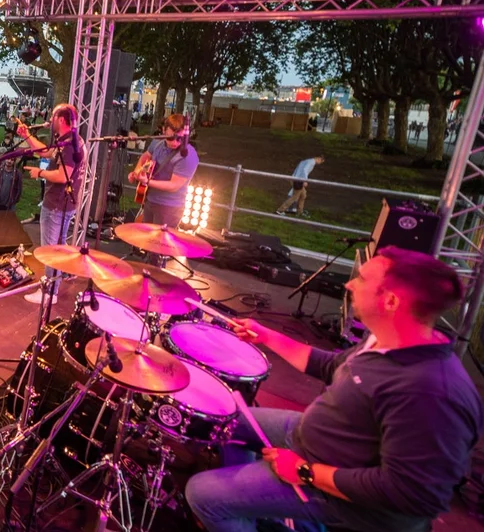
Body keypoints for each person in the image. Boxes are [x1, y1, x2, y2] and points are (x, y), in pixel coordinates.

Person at [186, 246, 482, 532]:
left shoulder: (431, 393)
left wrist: (304, 471)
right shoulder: (388, 339)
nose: (350, 284)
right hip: (314, 438)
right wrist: (267, 337)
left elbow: (411, 495)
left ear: (391, 301)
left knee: (203, 495)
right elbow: (332, 366)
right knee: (224, 418)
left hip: (348, 499)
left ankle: (239, 509)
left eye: (362, 279)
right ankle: (253, 509)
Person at [17, 104, 86, 283]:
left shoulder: (70, 145)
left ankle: (49, 291)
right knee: (59, 246)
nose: (49, 120)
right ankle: (59, 278)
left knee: (50, 250)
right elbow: (47, 152)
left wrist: (40, 173)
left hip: (57, 203)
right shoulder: (67, 139)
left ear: (61, 119)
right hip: (63, 203)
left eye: (52, 116)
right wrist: (27, 136)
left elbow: (63, 176)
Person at [127, 112, 198, 227]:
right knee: (145, 235)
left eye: (179, 139)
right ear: (164, 130)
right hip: (150, 200)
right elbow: (145, 156)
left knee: (160, 238)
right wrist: (136, 172)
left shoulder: (188, 155)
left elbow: (174, 185)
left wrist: (147, 182)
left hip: (170, 207)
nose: (175, 142)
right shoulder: (157, 142)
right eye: (170, 138)